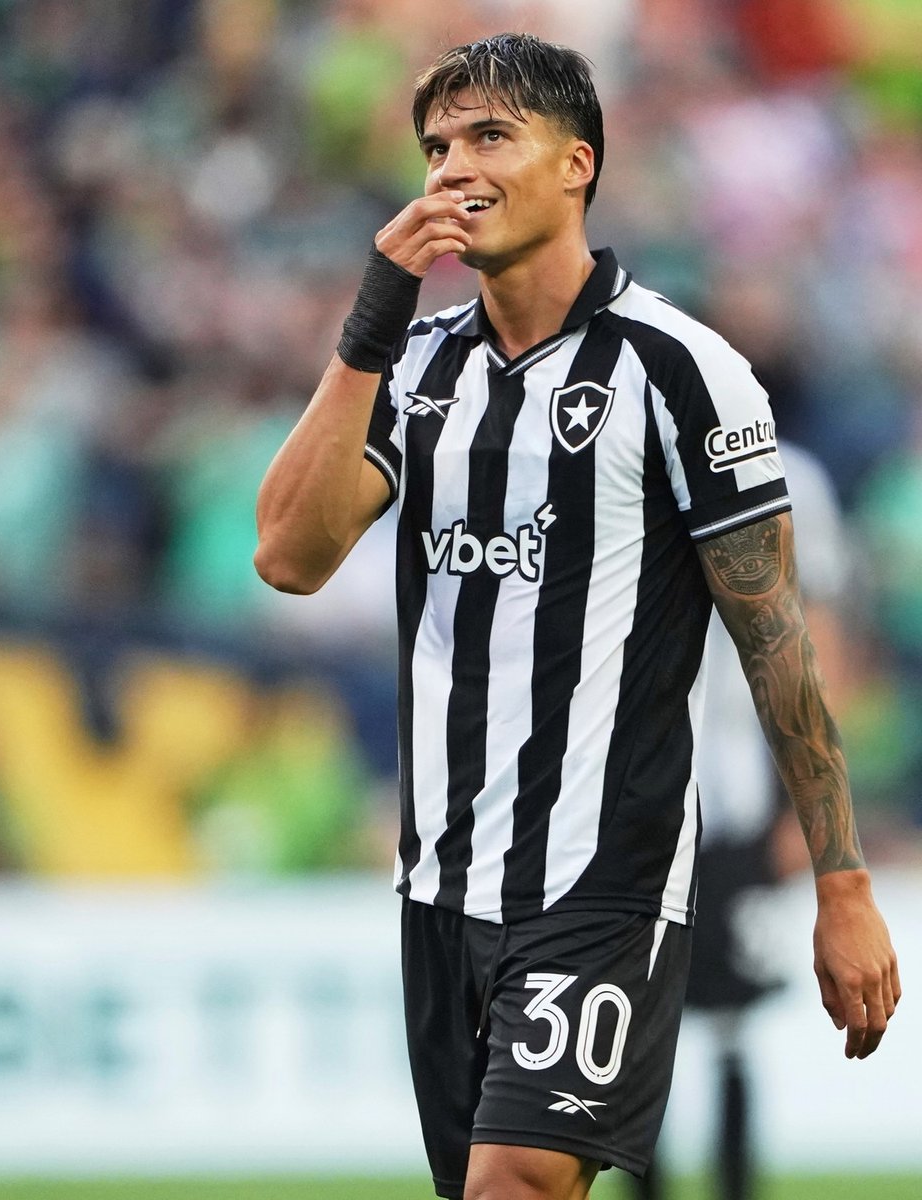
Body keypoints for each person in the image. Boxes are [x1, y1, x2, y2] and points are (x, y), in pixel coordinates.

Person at [254, 33, 899, 1200]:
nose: (453, 168)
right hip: (441, 883)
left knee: (515, 1183)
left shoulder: (681, 369)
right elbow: (288, 555)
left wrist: (841, 885)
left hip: (602, 877)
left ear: (576, 165)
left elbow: (777, 644)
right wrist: (371, 319)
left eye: (489, 136)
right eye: (436, 146)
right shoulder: (419, 372)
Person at [633, 440, 847, 1200]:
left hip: (732, 796)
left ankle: (735, 1187)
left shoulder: (790, 476)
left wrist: (808, 811)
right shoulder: (616, 460)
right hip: (628, 801)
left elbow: (816, 644)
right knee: (630, 1019)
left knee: (730, 1019)